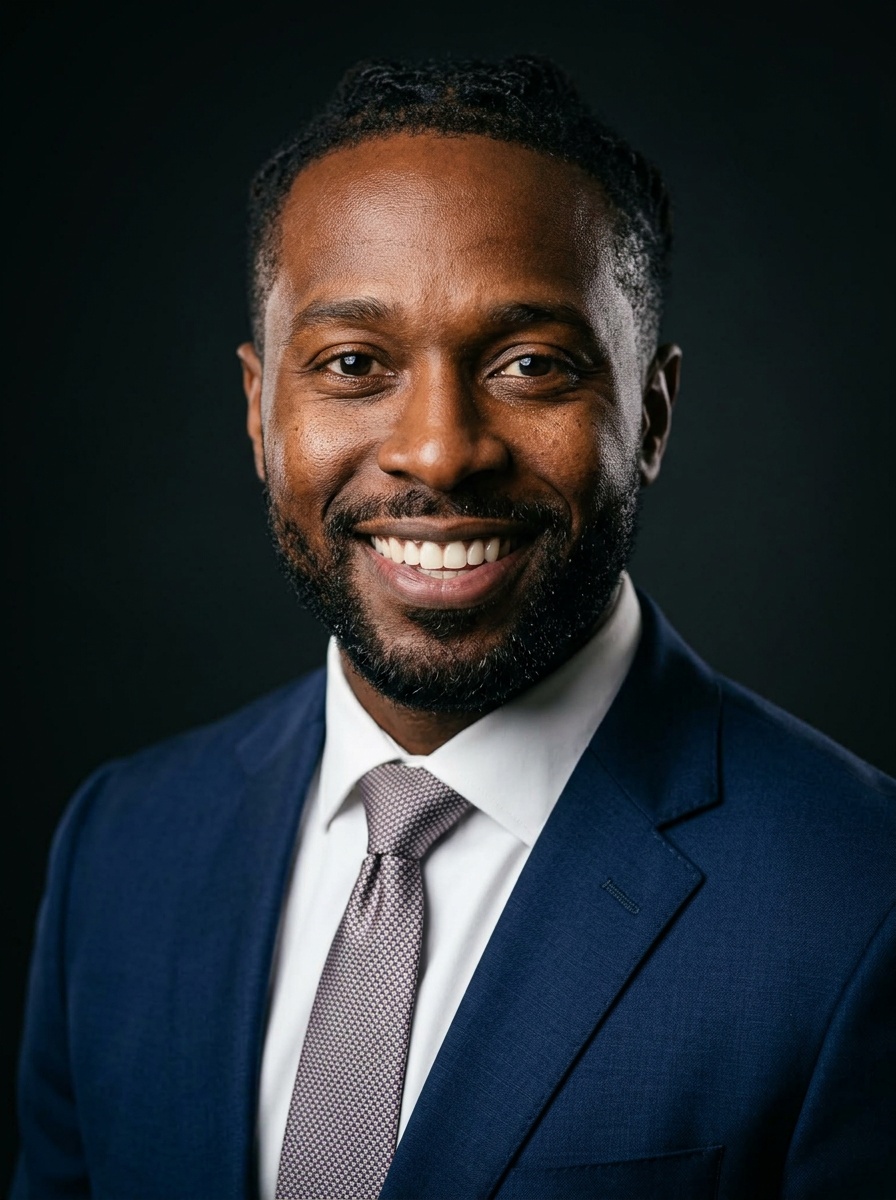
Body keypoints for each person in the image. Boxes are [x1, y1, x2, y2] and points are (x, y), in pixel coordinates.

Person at [12, 55, 895, 1200]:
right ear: (258, 412)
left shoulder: (860, 897)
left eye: (530, 365)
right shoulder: (122, 845)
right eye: (352, 364)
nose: (437, 450)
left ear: (650, 414)